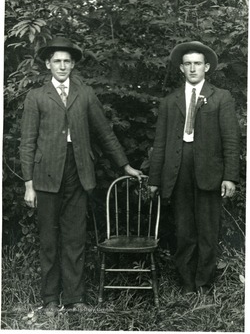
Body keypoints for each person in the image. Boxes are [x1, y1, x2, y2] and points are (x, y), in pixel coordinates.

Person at [20, 36, 142, 314]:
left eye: (67, 61)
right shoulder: (36, 96)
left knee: (75, 237)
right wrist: (29, 183)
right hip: (46, 175)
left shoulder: (85, 94)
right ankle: (50, 299)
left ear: (73, 64)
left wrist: (125, 165)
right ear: (48, 65)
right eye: (57, 61)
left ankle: (74, 298)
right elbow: (27, 142)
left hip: (79, 172)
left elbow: (104, 133)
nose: (62, 66)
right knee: (49, 241)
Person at [148, 41, 240, 295]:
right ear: (181, 68)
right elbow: (160, 143)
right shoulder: (170, 101)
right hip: (178, 170)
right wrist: (155, 178)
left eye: (197, 63)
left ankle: (204, 282)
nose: (192, 68)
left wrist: (230, 177)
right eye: (187, 64)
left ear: (206, 67)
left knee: (208, 229)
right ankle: (187, 282)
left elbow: (231, 139)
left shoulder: (220, 97)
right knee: (184, 228)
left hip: (209, 171)